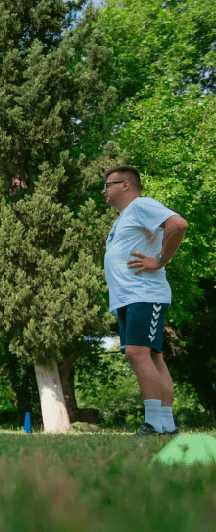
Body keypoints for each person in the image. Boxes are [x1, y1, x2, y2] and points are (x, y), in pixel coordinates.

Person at [102, 165, 188, 436]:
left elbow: (178, 224)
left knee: (136, 352)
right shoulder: (125, 216)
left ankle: (153, 423)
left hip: (144, 294)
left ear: (126, 185)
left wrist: (161, 260)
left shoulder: (141, 205)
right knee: (152, 356)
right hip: (130, 297)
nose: (104, 191)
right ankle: (166, 424)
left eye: (108, 185)